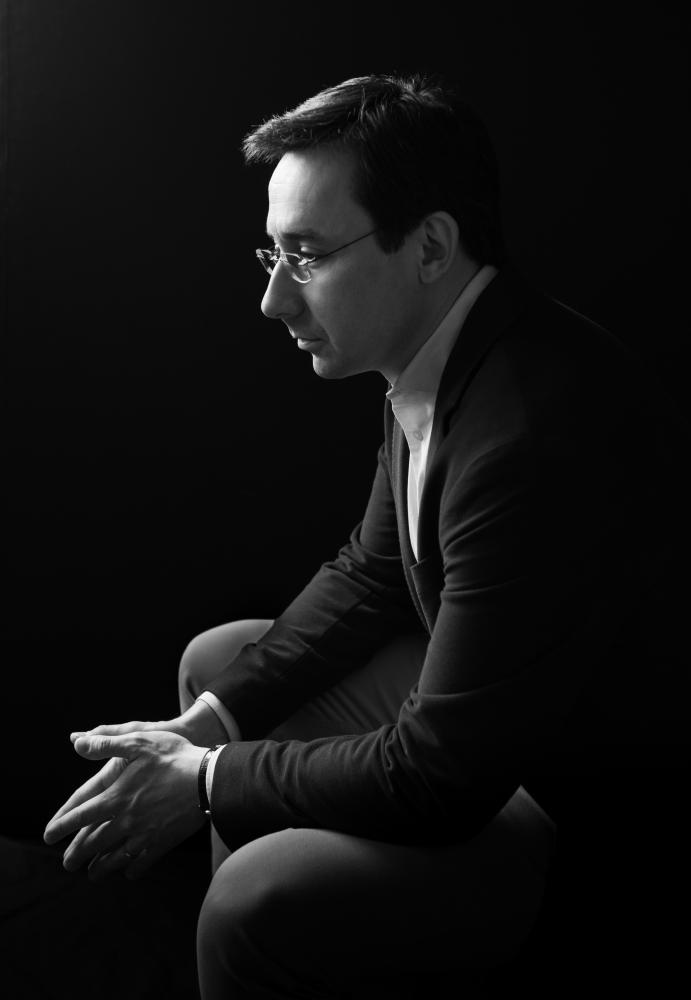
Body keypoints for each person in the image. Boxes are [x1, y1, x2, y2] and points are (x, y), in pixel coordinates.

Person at [44, 74, 689, 998]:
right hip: (504, 729)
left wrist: (206, 779)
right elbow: (373, 572)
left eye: (306, 256)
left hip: (574, 811)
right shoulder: (449, 349)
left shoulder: (530, 433)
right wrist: (205, 731)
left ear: (429, 246)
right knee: (216, 665)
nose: (272, 300)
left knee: (254, 898)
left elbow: (441, 775)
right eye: (270, 254)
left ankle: (261, 943)